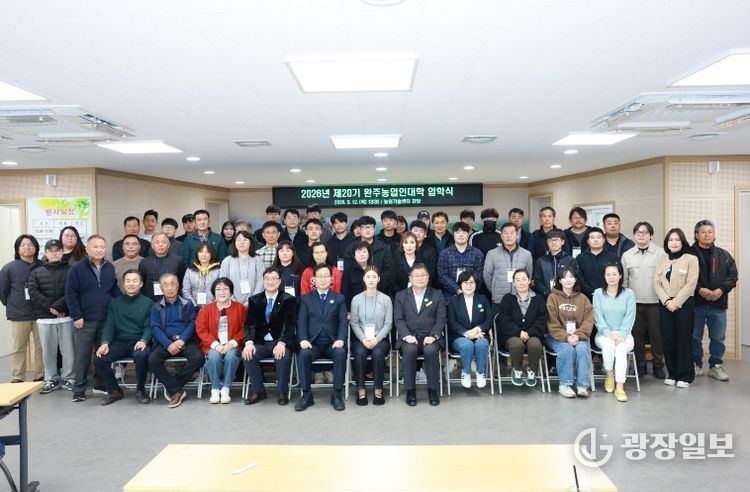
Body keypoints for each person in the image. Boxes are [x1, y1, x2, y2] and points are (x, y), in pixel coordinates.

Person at [65, 235, 121, 401]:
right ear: (87, 249)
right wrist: (76, 315)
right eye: (95, 247)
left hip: (105, 319)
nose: (99, 250)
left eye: (102, 247)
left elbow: (113, 290)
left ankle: (100, 384)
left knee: (102, 354)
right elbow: (70, 294)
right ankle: (79, 390)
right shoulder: (76, 268)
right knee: (82, 356)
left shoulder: (109, 267)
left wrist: (127, 301)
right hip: (85, 320)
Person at [93, 269, 153, 405]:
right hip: (119, 342)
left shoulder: (147, 302)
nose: (131, 284)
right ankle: (114, 390)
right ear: (123, 284)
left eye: (135, 281)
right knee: (99, 358)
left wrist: (144, 340)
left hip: (139, 341)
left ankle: (140, 390)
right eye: (128, 281)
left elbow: (149, 326)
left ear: (141, 284)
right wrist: (105, 343)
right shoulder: (115, 303)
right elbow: (109, 325)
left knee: (141, 355)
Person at [295, 264, 349, 412]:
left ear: (332, 279)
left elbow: (343, 322)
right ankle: (306, 395)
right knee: (303, 354)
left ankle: (336, 394)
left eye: (326, 276)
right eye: (320, 276)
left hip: (332, 343)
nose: (323, 279)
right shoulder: (306, 299)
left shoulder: (339, 298)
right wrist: (303, 339)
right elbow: (302, 322)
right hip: (313, 344)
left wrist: (341, 339)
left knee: (341, 353)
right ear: (313, 280)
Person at [691, 219, 738, 381]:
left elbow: (732, 276)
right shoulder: (688, 254)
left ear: (714, 234)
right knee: (694, 336)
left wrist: (721, 290)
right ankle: (695, 364)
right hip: (695, 304)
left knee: (718, 337)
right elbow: (682, 277)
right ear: (697, 235)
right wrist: (699, 289)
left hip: (718, 303)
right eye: (703, 232)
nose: (707, 235)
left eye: (710, 232)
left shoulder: (724, 255)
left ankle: (715, 366)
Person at [148, 273, 204, 408]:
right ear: (161, 288)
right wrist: (168, 344)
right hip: (165, 341)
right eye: (165, 284)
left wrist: (182, 340)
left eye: (173, 283)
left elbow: (193, 323)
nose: (169, 288)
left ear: (178, 285)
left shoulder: (188, 304)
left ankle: (173, 387)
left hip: (185, 340)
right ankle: (176, 390)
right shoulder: (156, 306)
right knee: (152, 360)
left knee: (198, 358)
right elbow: (155, 327)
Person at [394, 263, 446, 406]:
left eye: (423, 275)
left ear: (428, 277)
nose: (420, 278)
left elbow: (441, 319)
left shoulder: (437, 295)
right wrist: (406, 336)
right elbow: (398, 319)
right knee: (409, 351)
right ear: (410, 278)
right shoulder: (401, 296)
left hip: (430, 337)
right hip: (409, 337)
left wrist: (433, 335)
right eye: (416, 275)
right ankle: (410, 391)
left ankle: (433, 391)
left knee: (431, 351)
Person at [242, 267, 296, 406]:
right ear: (263, 281)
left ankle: (282, 392)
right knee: (248, 355)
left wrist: (282, 343)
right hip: (260, 342)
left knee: (282, 356)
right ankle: (258, 391)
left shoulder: (288, 299)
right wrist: (248, 342)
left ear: (279, 281)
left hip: (279, 341)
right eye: (267, 279)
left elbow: (289, 324)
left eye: (273, 279)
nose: (270, 282)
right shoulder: (254, 300)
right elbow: (249, 324)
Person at [27, 239, 74, 393]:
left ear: (62, 252)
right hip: (45, 318)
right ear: (46, 253)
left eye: (57, 250)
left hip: (66, 316)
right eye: (51, 251)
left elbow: (73, 291)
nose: (54, 253)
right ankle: (51, 379)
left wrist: (59, 307)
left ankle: (69, 378)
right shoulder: (36, 272)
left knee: (69, 350)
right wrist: (51, 308)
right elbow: (33, 293)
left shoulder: (71, 270)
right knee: (48, 351)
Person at [654, 228, 699, 388]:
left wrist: (676, 302)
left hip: (684, 304)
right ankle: (672, 373)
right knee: (669, 339)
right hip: (665, 304)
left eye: (677, 239)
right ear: (667, 243)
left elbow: (691, 283)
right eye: (671, 240)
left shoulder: (691, 259)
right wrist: (667, 301)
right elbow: (656, 282)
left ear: (682, 242)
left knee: (683, 339)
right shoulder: (662, 259)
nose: (674, 242)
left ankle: (685, 376)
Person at [621, 221, 666, 379]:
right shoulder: (627, 255)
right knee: (637, 336)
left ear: (651, 235)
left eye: (645, 232)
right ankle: (640, 365)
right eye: (638, 233)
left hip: (655, 303)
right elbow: (624, 281)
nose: (641, 235)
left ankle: (658, 365)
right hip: (635, 303)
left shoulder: (661, 254)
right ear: (634, 236)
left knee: (656, 337)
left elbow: (665, 279)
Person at [545, 266, 594, 398]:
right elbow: (552, 323)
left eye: (571, 276)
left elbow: (588, 321)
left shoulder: (583, 299)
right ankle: (565, 385)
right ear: (560, 280)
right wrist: (566, 337)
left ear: (575, 279)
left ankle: (582, 385)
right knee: (567, 349)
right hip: (555, 336)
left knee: (582, 348)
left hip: (578, 336)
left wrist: (577, 335)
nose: (568, 280)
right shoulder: (552, 298)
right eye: (564, 277)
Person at [196, 277, 246, 404]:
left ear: (231, 291)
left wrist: (232, 343)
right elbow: (201, 329)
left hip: (233, 344)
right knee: (213, 357)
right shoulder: (206, 309)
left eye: (225, 289)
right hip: (213, 345)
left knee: (231, 356)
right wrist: (215, 344)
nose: (222, 292)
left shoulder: (240, 308)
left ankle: (226, 388)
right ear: (214, 292)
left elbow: (245, 328)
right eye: (218, 289)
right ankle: (215, 388)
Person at [1, 234, 44, 383]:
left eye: (31, 244)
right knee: (19, 347)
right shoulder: (9, 268)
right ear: (18, 249)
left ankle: (40, 375)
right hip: (19, 314)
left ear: (36, 247)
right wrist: (13, 305)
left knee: (41, 347)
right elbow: (3, 292)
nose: (27, 247)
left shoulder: (43, 266)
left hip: (40, 313)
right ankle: (18, 377)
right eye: (23, 245)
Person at [349, 266, 392, 406]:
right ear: (364, 279)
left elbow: (388, 324)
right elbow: (354, 323)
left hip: (380, 339)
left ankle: (378, 390)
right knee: (360, 353)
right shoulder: (356, 299)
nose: (371, 279)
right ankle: (360, 390)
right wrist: (363, 339)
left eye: (374, 277)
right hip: (361, 339)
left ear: (379, 279)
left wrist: (376, 339)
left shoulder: (386, 299)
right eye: (368, 277)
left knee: (378, 353)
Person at [593, 263, 636, 402]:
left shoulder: (628, 294)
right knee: (609, 344)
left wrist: (622, 335)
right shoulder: (598, 293)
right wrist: (607, 333)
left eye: (614, 274)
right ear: (604, 277)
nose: (611, 277)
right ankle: (609, 374)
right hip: (603, 334)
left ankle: (620, 387)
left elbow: (630, 316)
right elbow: (597, 316)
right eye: (608, 274)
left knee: (621, 348)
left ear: (620, 276)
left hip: (625, 334)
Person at [497, 269, 546, 387]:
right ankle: (517, 370)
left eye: (524, 279)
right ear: (514, 283)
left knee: (535, 344)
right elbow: (504, 320)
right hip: (511, 335)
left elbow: (542, 320)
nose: (521, 282)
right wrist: (519, 332)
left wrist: (529, 333)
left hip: (533, 334)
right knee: (517, 344)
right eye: (518, 280)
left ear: (529, 281)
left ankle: (532, 371)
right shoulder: (507, 298)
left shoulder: (539, 299)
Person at [447, 271, 492, 389]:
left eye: (472, 282)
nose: (468, 285)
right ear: (460, 285)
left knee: (481, 344)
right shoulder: (453, 301)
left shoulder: (483, 299)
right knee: (467, 345)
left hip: (480, 334)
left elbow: (489, 320)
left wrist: (476, 330)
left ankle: (480, 372)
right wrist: (467, 334)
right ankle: (466, 372)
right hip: (459, 336)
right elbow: (452, 323)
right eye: (465, 282)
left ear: (476, 284)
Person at [483, 222, 534, 305]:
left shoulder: (526, 254)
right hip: (499, 300)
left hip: (520, 299)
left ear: (517, 236)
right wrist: (495, 290)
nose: (509, 236)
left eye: (512, 233)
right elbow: (487, 275)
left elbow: (529, 275)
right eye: (505, 233)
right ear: (501, 236)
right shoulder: (492, 254)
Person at [344, 216, 393, 295]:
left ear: (374, 229)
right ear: (359, 229)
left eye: (370, 227)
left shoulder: (383, 248)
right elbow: (348, 271)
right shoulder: (351, 248)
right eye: (364, 227)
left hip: (379, 291)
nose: (367, 230)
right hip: (356, 291)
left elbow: (388, 271)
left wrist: (375, 285)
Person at [437, 222, 484, 298]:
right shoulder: (445, 254)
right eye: (458, 232)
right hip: (450, 296)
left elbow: (479, 275)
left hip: (471, 294)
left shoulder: (477, 254)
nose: (461, 235)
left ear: (468, 234)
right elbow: (442, 275)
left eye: (464, 232)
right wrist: (457, 289)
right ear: (453, 235)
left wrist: (468, 289)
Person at [220, 231, 264, 305]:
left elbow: (261, 281)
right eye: (239, 240)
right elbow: (223, 281)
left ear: (250, 242)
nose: (241, 242)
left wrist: (252, 301)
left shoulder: (258, 260)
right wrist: (232, 300)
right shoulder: (227, 261)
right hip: (231, 302)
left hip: (254, 303)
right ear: (234, 243)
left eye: (245, 240)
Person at [138, 232, 185, 302]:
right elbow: (141, 283)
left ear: (168, 245)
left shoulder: (178, 260)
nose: (161, 245)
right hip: (151, 301)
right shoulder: (144, 262)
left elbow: (182, 282)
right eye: (157, 242)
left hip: (173, 300)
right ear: (152, 246)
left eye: (163, 242)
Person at [532, 229, 578, 298]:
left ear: (562, 242)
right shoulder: (541, 261)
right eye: (550, 240)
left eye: (556, 240)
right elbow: (538, 280)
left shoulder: (571, 261)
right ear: (547, 243)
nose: (553, 243)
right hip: (545, 297)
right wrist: (547, 293)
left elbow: (574, 280)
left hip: (566, 297)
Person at [577, 227, 618, 300]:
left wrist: (605, 291)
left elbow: (618, 276)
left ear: (604, 240)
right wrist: (590, 292)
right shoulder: (580, 258)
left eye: (599, 237)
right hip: (585, 297)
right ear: (588, 241)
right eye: (592, 238)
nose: (596, 240)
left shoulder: (613, 257)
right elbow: (579, 277)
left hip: (608, 296)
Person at [182, 242, 221, 309]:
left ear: (212, 254)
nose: (204, 255)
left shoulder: (218, 270)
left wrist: (213, 307)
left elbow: (221, 290)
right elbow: (186, 291)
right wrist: (195, 307)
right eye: (201, 252)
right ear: (197, 253)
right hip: (194, 309)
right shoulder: (190, 270)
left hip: (214, 308)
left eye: (207, 252)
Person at [341, 241, 371, 309]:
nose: (362, 254)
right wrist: (348, 310)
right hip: (354, 307)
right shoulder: (348, 271)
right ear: (354, 255)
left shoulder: (373, 269)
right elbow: (345, 292)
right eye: (358, 252)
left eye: (364, 252)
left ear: (369, 254)